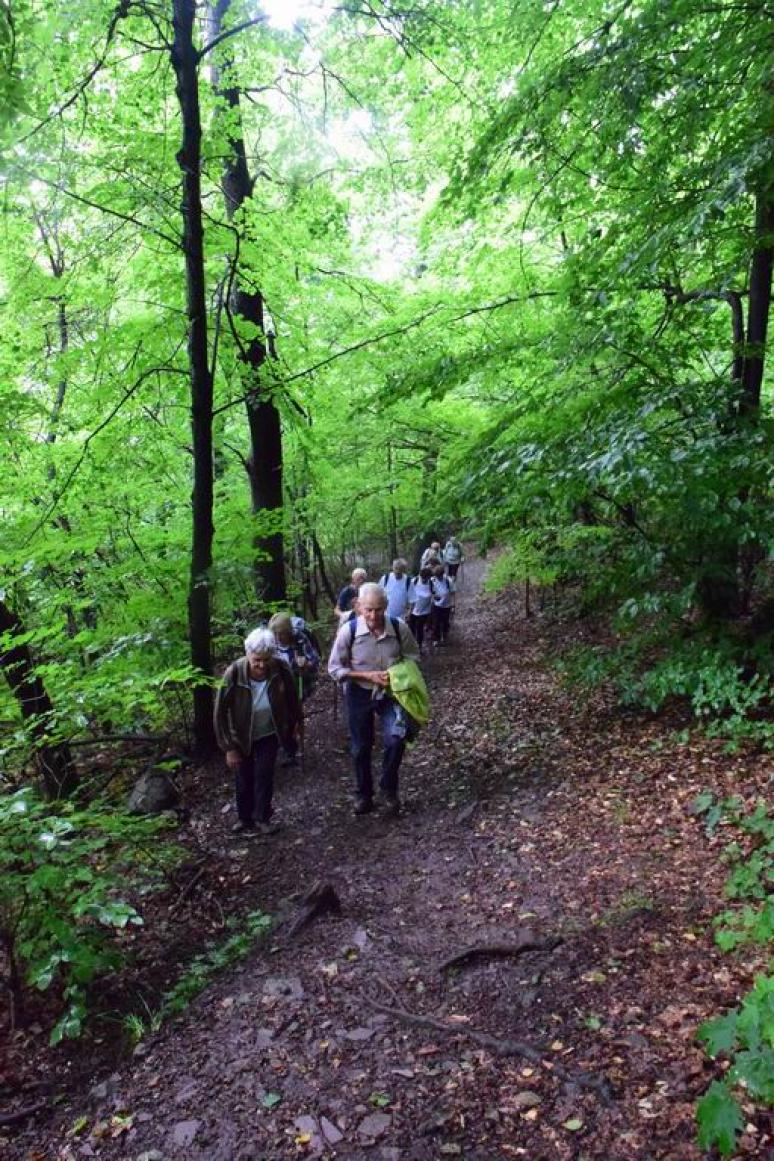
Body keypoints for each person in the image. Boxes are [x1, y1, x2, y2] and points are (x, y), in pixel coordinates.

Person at [328, 582, 420, 818]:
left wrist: (396, 674)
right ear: (358, 606)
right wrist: (366, 675)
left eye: (379, 609)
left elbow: (412, 657)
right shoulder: (348, 631)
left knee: (397, 739)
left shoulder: (399, 628)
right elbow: (335, 669)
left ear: (386, 606)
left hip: (392, 692)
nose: (373, 615)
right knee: (361, 747)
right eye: (368, 609)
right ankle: (364, 794)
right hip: (359, 691)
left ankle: (388, 789)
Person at [214, 627, 301, 835]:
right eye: (257, 660)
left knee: (264, 774)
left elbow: (292, 698)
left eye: (266, 659)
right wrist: (229, 747)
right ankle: (244, 819)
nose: (262, 665)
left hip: (270, 732)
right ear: (248, 654)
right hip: (241, 736)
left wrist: (297, 722)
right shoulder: (234, 673)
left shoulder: (280, 669)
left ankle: (262, 817)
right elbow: (219, 713)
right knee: (243, 777)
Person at [268, 612, 321, 767]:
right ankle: (282, 745)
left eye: (282, 634)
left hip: (298, 683)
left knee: (291, 717)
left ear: (288, 632)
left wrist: (305, 664)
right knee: (277, 715)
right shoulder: (271, 643)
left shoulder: (299, 639)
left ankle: (289, 750)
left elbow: (315, 660)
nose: (278, 638)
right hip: (276, 685)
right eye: (276, 634)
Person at [407, 565, 435, 653]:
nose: (424, 580)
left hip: (424, 612)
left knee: (420, 629)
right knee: (411, 629)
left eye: (426, 578)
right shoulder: (414, 582)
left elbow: (434, 594)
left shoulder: (431, 584)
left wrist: (435, 599)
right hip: (413, 611)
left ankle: (418, 646)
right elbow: (408, 594)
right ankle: (411, 646)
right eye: (422, 578)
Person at [430, 563, 453, 645]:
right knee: (436, 622)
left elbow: (453, 593)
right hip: (436, 605)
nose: (438, 577)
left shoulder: (448, 581)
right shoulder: (432, 581)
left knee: (446, 622)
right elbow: (430, 592)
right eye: (436, 575)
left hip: (447, 605)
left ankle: (445, 637)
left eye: (439, 576)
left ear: (442, 574)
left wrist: (453, 605)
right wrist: (433, 597)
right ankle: (436, 639)